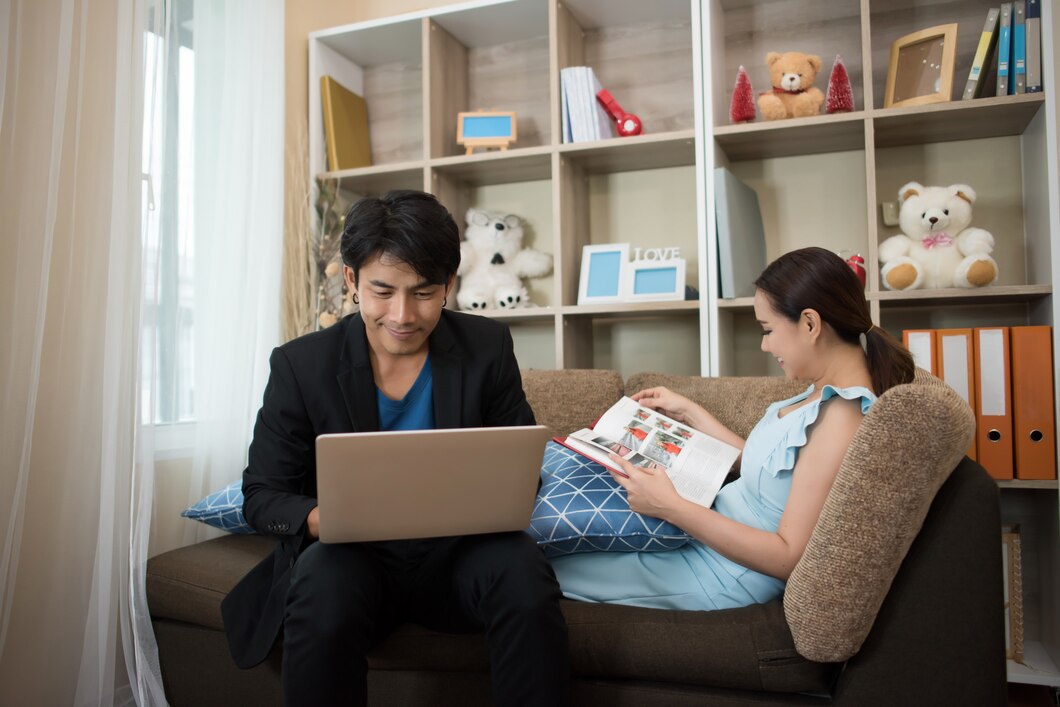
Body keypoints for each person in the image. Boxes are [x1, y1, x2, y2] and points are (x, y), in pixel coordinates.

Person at [220, 190, 569, 706]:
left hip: (458, 558)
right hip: (351, 561)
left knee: (522, 570)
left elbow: (521, 467)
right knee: (320, 583)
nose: (402, 315)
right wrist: (334, 517)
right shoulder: (301, 365)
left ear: (450, 284)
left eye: (424, 292)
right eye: (382, 292)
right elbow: (263, 495)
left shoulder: (487, 348)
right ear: (351, 281)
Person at [549, 246, 915, 611]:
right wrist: (690, 412)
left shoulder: (843, 417)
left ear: (810, 323)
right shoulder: (821, 392)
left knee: (541, 565)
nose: (764, 344)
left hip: (721, 571)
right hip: (700, 541)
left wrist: (671, 507)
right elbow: (771, 469)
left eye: (768, 329)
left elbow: (788, 557)